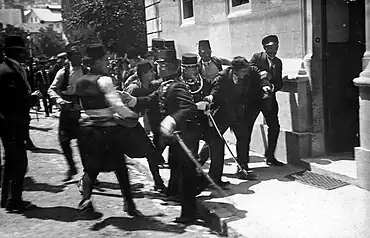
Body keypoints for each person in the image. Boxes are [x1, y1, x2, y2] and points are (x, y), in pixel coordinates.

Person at [121, 54, 202, 224]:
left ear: (166, 66)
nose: (157, 67)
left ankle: (189, 213)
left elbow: (189, 108)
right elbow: (151, 100)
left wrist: (172, 119)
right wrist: (133, 100)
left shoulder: (178, 86)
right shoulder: (166, 85)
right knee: (175, 166)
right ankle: (177, 197)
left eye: (159, 64)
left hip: (186, 136)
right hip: (176, 136)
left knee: (187, 174)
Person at [75, 44, 142, 217]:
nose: (107, 62)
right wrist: (132, 115)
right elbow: (116, 105)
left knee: (91, 168)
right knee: (120, 166)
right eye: (105, 59)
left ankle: (85, 201)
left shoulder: (81, 81)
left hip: (85, 130)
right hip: (106, 130)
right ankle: (129, 203)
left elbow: (80, 105)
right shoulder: (104, 80)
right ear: (97, 61)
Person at [204, 56, 269, 180]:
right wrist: (211, 97)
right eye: (243, 71)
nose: (245, 74)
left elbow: (256, 71)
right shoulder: (222, 76)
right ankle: (198, 166)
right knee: (213, 140)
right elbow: (215, 89)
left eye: (246, 71)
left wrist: (264, 83)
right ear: (235, 69)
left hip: (238, 113)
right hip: (222, 114)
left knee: (243, 138)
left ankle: (242, 168)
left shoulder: (246, 74)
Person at [0, 35, 41, 212]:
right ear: (16, 52)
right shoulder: (7, 71)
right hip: (11, 123)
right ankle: (14, 200)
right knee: (18, 162)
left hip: (12, 122)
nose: (25, 54)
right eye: (23, 51)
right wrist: (31, 99)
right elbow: (12, 101)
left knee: (11, 162)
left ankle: (7, 199)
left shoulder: (12, 68)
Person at [122, 60, 166, 192]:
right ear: (143, 73)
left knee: (151, 153)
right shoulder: (134, 89)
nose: (153, 73)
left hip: (133, 124)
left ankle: (158, 183)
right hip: (123, 126)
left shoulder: (148, 86)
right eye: (151, 71)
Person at [48, 45, 89, 181]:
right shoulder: (63, 72)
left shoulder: (86, 71)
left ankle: (89, 172)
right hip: (67, 109)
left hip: (82, 110)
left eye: (79, 56)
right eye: (75, 56)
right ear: (69, 58)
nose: (78, 59)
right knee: (64, 140)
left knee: (85, 143)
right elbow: (52, 89)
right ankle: (71, 167)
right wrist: (59, 101)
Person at [247, 35, 284, 166]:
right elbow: (249, 69)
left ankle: (270, 156)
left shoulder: (278, 62)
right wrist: (262, 73)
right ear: (264, 48)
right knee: (247, 128)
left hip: (269, 100)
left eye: (276, 47)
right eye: (270, 48)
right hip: (254, 100)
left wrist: (272, 87)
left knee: (274, 127)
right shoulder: (257, 57)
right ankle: (243, 161)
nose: (274, 50)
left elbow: (280, 82)